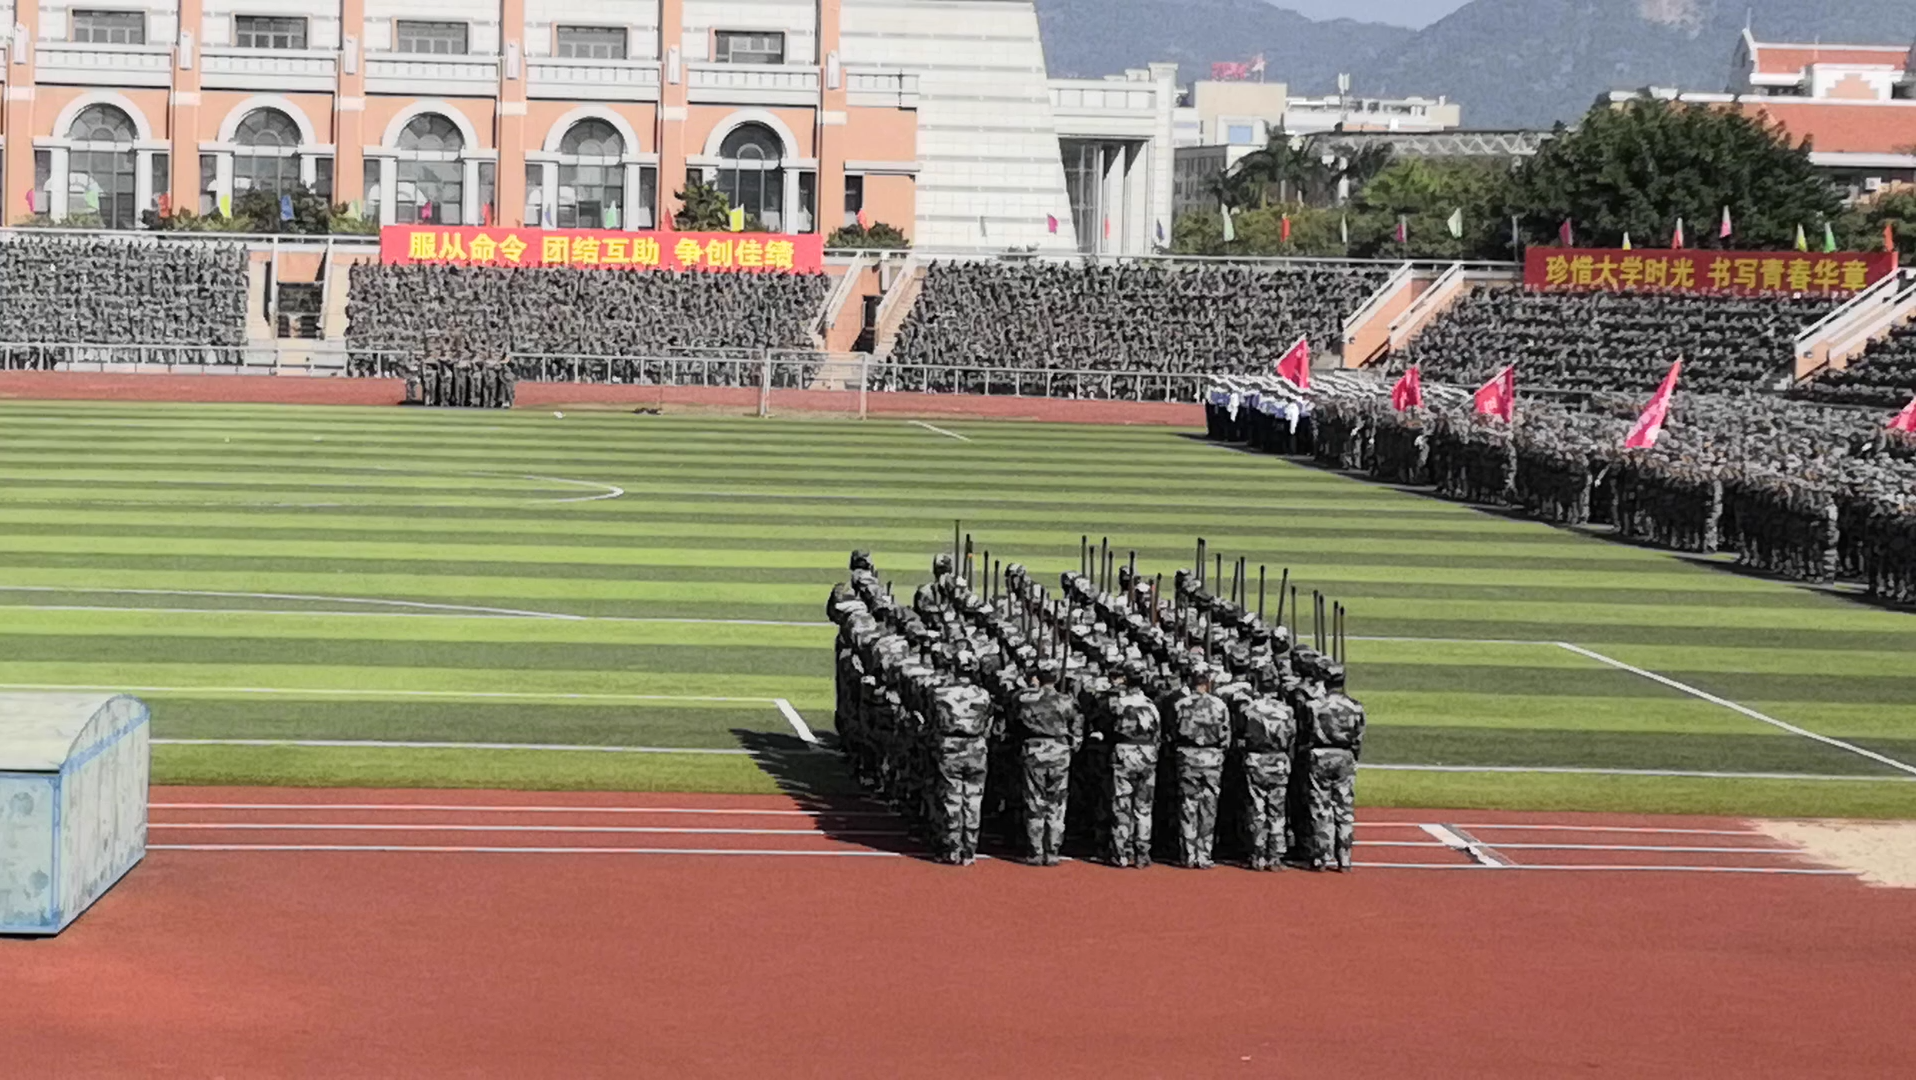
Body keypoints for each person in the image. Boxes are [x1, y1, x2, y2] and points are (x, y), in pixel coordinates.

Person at [1010, 663, 1083, 865]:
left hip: (1034, 748)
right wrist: (1073, 744)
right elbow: (1077, 727)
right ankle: (1052, 850)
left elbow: (1014, 712)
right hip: (1059, 749)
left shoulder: (1025, 698)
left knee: (1035, 800)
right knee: (1057, 803)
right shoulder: (1066, 700)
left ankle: (1035, 850)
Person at [1301, 660, 1366, 872]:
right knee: (1344, 807)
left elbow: (1306, 733)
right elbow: (1358, 737)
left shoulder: (1314, 706)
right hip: (1345, 756)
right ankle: (1344, 855)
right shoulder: (1356, 707)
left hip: (1320, 755)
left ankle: (1321, 855)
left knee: (1321, 806)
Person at [1169, 666, 1231, 868]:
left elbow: (1172, 732)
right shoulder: (1219, 705)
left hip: (1187, 755)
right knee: (1209, 806)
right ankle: (1204, 854)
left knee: (1188, 805)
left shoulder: (1180, 704)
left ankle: (1188, 854)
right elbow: (1225, 736)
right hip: (1212, 757)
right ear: (1208, 684)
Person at [1104, 664, 1162, 868]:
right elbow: (1158, 735)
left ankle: (1121, 852)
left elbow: (1108, 728)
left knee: (1122, 804)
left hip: (1124, 753)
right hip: (1147, 754)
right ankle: (1142, 852)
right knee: (1144, 808)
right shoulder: (1151, 705)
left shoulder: (1118, 704)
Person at [1233, 690, 1297, 871]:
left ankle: (1257, 854)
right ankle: (1275, 855)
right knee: (1278, 810)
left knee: (1256, 808)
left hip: (1256, 759)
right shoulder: (1287, 710)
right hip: (1279, 760)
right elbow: (1292, 737)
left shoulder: (1249, 709)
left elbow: (1240, 738)